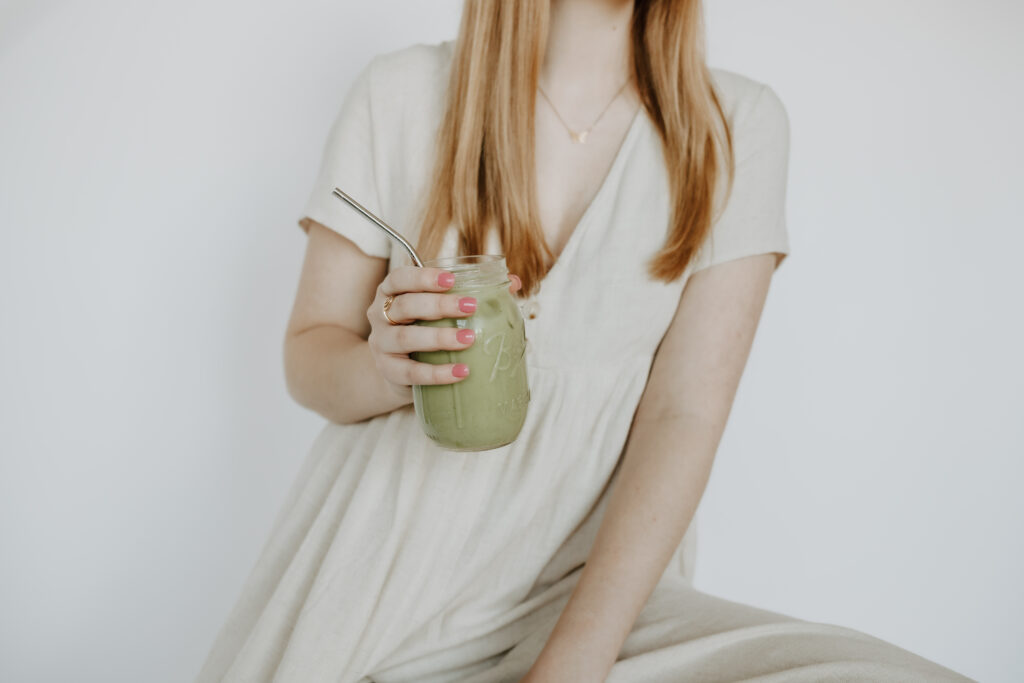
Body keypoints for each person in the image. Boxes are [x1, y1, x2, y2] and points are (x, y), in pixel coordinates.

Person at [195, 1, 974, 681]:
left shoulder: (736, 127)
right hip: (375, 582)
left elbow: (686, 416)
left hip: (598, 608)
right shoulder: (399, 93)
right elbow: (308, 352)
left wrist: (573, 664)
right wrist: (380, 367)